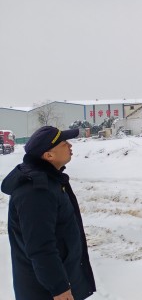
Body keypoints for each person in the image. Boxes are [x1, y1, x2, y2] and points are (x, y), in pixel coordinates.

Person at [2, 126, 96, 300]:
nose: (70, 145)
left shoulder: (51, 181)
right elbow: (40, 246)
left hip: (56, 282)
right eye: (64, 143)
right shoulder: (36, 191)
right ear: (48, 155)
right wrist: (59, 288)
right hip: (45, 291)